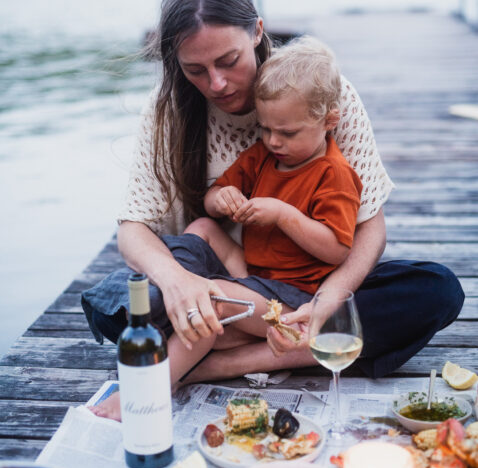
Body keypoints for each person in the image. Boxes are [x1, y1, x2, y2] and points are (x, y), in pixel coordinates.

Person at [83, 0, 464, 420]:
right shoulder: (169, 109)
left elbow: (367, 228)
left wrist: (327, 301)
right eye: (195, 70)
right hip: (221, 278)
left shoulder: (321, 96)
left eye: (229, 60)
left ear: (258, 32)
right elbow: (133, 230)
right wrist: (177, 283)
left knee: (435, 289)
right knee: (129, 299)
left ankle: (224, 360)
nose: (217, 83)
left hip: (306, 287)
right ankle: (245, 336)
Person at [187, 36, 362, 299]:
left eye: (288, 133)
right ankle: (177, 284)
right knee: (202, 227)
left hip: (295, 291)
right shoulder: (262, 156)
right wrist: (221, 199)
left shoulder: (333, 172)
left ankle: (185, 309)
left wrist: (283, 215)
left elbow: (337, 249)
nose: (273, 141)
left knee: (214, 299)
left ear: (329, 120)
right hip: (250, 271)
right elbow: (212, 200)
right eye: (265, 129)